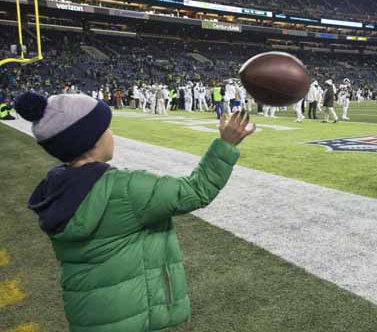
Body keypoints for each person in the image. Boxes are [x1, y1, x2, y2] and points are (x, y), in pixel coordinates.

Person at [14, 92, 255, 332]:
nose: (111, 134)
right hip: (134, 315)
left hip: (88, 314)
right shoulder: (125, 188)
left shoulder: (53, 187)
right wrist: (226, 145)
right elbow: (197, 190)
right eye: (106, 128)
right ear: (91, 139)